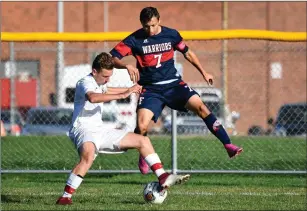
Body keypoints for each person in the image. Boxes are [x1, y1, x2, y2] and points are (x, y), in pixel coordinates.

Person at [110, 7, 243, 175]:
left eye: (152, 25)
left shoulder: (171, 34)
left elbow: (187, 53)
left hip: (174, 85)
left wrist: (204, 72)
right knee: (141, 126)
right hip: (151, 90)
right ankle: (143, 153)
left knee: (201, 107)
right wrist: (126, 65)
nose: (149, 30)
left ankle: (228, 145)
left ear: (159, 20)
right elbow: (113, 57)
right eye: (146, 26)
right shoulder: (135, 39)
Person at [56, 52, 190, 205]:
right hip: (82, 129)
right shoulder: (84, 82)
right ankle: (65, 197)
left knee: (142, 140)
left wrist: (130, 89)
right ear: (94, 71)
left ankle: (162, 176)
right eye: (105, 76)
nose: (108, 79)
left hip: (100, 130)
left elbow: (106, 89)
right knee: (88, 157)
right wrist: (124, 94)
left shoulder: (99, 82)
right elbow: (93, 97)